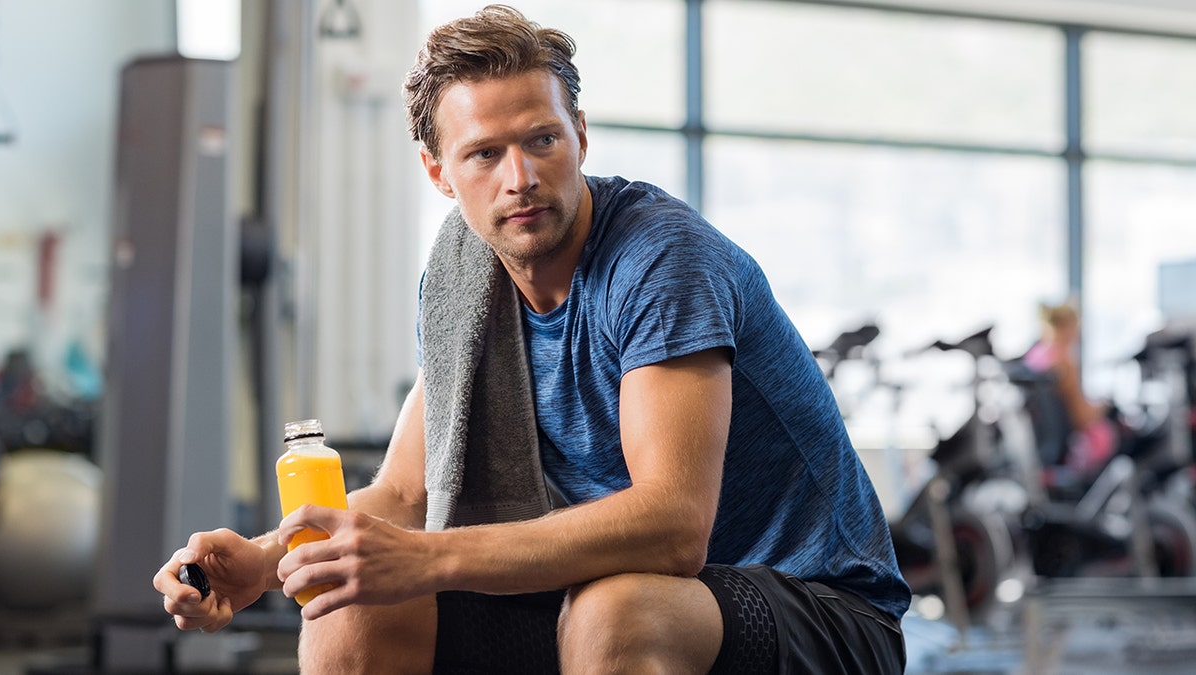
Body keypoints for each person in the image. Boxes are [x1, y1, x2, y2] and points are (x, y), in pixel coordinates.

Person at [154, 6, 910, 673]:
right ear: (438, 172)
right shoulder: (460, 279)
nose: (520, 176)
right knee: (355, 603)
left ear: (579, 134)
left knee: (618, 609)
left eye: (542, 139)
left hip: (817, 606)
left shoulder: (661, 260)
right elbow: (405, 494)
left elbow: (674, 527)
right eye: (484, 153)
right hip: (611, 593)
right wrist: (265, 557)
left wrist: (425, 558)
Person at [1023, 300, 1118, 477]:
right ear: (1069, 326)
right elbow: (1081, 418)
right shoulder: (1063, 361)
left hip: (1042, 444)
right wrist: (1104, 406)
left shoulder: (1035, 355)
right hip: (1072, 447)